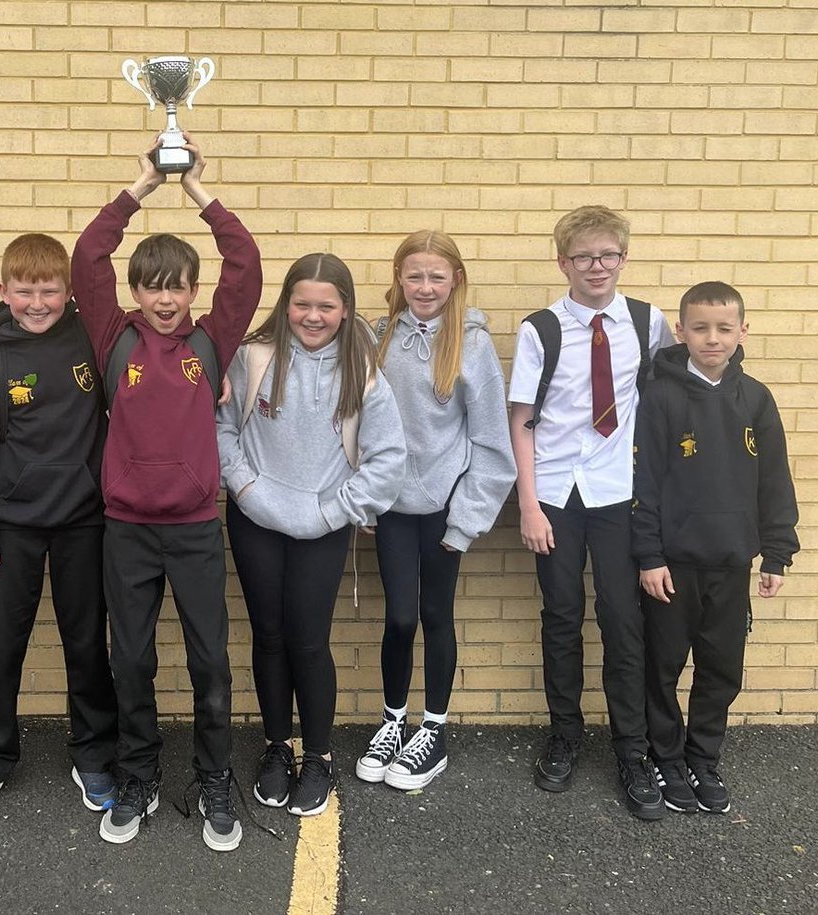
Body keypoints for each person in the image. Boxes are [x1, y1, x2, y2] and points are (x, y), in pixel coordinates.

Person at [71, 134, 262, 852]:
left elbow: (245, 265)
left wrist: (196, 192)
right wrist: (143, 185)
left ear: (191, 289)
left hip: (192, 530)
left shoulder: (211, 343)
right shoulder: (113, 338)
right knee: (132, 659)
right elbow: (87, 255)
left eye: (176, 284)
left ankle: (214, 777)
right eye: (151, 284)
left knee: (210, 659)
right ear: (136, 290)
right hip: (125, 528)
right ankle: (140, 773)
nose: (163, 297)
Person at [218, 253, 404, 816]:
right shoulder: (252, 359)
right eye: (302, 303)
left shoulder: (363, 372)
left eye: (326, 305)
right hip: (254, 518)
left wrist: (335, 511)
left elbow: (388, 460)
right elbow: (220, 431)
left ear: (346, 309)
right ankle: (277, 748)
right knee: (268, 636)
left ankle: (318, 757)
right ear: (286, 303)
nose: (313, 315)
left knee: (307, 640)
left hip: (321, 527)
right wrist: (248, 491)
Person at [508, 205, 674, 821]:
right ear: (564, 263)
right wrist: (527, 502)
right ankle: (566, 734)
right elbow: (520, 420)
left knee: (622, 620)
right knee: (562, 615)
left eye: (608, 255)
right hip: (554, 491)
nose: (597, 266)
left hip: (617, 491)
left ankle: (631, 750)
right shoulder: (541, 329)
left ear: (623, 258)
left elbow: (668, 393)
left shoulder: (646, 322)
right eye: (584, 257)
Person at [0, 233, 119, 819]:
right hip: (10, 529)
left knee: (88, 646)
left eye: (49, 290)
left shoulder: (88, 338)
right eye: (25, 291)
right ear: (3, 291)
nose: (37, 303)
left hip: (84, 524)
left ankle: (93, 755)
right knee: (2, 650)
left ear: (68, 293)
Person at [355, 231, 516, 792]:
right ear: (398, 279)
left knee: (435, 615)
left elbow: (494, 443)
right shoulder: (378, 340)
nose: (425, 287)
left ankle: (435, 729)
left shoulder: (470, 347)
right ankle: (393, 721)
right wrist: (366, 499)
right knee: (399, 616)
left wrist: (466, 520)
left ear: (455, 282)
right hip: (392, 505)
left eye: (436, 277)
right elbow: (356, 424)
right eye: (414, 276)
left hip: (446, 508)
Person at [633, 281, 798, 815]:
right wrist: (650, 556)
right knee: (662, 666)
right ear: (680, 330)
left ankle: (703, 757)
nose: (712, 338)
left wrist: (776, 552)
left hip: (732, 563)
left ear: (742, 331)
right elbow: (644, 483)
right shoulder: (658, 395)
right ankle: (666, 756)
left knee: (721, 667)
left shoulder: (756, 398)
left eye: (724, 328)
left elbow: (775, 480)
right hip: (673, 567)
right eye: (700, 328)